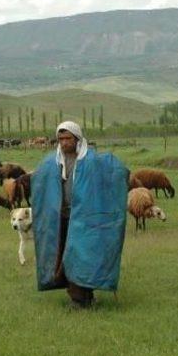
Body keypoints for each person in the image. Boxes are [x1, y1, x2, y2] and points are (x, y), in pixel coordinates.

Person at [31, 121, 129, 308]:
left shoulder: (92, 160)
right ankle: (79, 296)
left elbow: (114, 172)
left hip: (86, 219)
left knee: (83, 256)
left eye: (68, 138)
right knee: (63, 257)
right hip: (61, 219)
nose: (64, 142)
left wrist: (121, 175)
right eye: (60, 139)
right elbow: (39, 180)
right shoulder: (51, 162)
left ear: (77, 139)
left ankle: (81, 298)